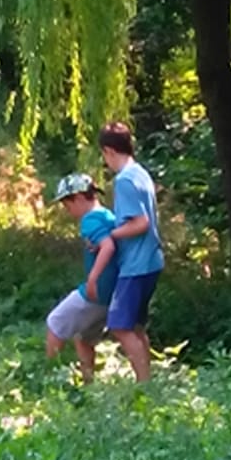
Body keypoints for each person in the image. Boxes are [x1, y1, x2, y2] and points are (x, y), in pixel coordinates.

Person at [88, 121, 163, 383]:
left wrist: (108, 236)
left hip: (136, 264)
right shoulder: (141, 173)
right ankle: (147, 381)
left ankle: (144, 385)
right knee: (136, 326)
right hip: (152, 260)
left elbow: (140, 223)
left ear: (108, 151)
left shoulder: (125, 181)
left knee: (120, 325)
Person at [44, 171, 120, 383]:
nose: (67, 211)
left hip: (97, 290)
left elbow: (108, 246)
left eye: (66, 205)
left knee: (55, 323)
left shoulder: (90, 220)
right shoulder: (107, 216)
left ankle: (51, 379)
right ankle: (89, 383)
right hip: (113, 291)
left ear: (78, 198)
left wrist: (93, 279)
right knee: (84, 337)